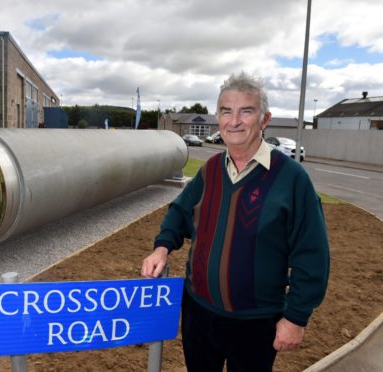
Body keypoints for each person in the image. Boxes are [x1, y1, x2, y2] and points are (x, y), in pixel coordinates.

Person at [141, 72, 329, 371]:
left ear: (264, 119)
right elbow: (179, 211)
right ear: (219, 118)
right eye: (227, 111)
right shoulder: (211, 169)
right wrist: (162, 247)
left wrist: (295, 318)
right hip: (198, 314)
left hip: (255, 324)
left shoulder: (292, 179)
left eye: (246, 111)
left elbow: (313, 256)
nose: (235, 120)